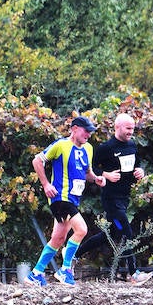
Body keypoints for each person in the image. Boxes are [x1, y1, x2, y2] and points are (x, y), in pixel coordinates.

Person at [25, 116, 104, 287]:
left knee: (58, 238)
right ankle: (65, 269)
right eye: (86, 131)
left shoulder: (88, 149)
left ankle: (35, 274)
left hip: (73, 199)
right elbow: (37, 160)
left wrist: (96, 178)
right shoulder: (61, 145)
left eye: (90, 132)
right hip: (60, 197)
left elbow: (87, 172)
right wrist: (46, 184)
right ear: (74, 129)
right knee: (82, 229)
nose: (88, 135)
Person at [75, 113, 150, 282]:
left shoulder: (132, 145)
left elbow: (137, 165)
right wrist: (105, 175)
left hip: (124, 198)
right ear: (117, 127)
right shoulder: (106, 148)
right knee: (127, 231)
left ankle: (73, 254)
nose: (131, 131)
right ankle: (134, 273)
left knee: (107, 235)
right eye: (128, 128)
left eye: (133, 128)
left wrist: (140, 171)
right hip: (111, 199)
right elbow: (89, 168)